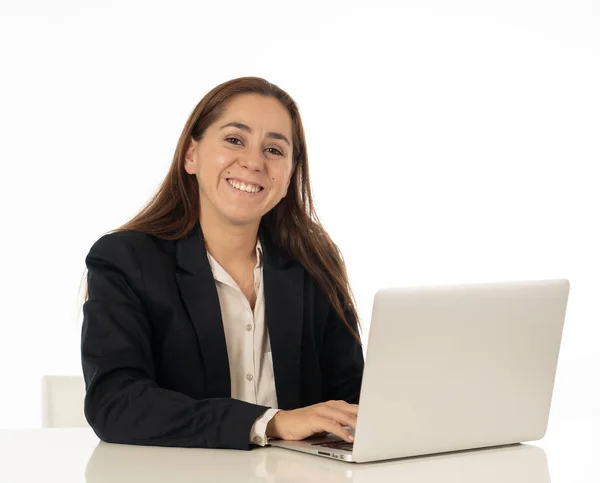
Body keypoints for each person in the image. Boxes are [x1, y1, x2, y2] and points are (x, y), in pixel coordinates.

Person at [80, 76, 364, 450]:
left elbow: (354, 399)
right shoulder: (126, 260)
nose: (253, 162)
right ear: (191, 155)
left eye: (275, 150)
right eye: (234, 140)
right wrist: (270, 422)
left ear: (290, 173)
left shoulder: (313, 263)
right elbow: (115, 403)